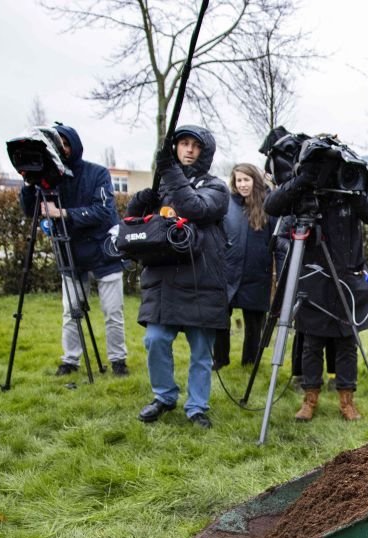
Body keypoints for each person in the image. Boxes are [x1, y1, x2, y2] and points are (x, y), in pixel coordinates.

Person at [264, 141, 368, 421]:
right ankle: (309, 400)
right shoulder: (306, 190)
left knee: (346, 344)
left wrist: (354, 189)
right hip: (313, 276)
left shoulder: (349, 189)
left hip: (346, 277)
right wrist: (303, 178)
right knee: (312, 343)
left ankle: (347, 402)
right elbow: (273, 205)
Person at [129, 125, 230, 429]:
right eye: (182, 144)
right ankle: (164, 396)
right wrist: (141, 201)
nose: (187, 150)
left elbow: (194, 207)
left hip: (203, 281)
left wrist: (170, 174)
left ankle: (197, 406)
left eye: (195, 146)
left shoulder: (217, 187)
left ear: (204, 151)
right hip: (165, 281)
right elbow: (136, 226)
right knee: (155, 338)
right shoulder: (164, 186)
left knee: (201, 351)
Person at [19, 123, 129, 376]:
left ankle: (118, 361)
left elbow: (103, 211)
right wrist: (28, 183)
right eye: (60, 145)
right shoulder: (48, 177)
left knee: (113, 312)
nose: (64, 149)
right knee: (71, 312)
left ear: (75, 145)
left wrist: (64, 213)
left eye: (67, 144)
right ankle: (70, 360)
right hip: (70, 252)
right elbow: (29, 211)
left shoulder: (97, 173)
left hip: (104, 251)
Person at [212, 163, 284, 369]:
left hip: (257, 274)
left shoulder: (269, 205)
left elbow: (278, 244)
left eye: (246, 179)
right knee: (221, 319)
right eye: (239, 180)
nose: (243, 184)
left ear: (255, 180)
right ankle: (220, 359)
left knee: (254, 323)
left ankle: (250, 362)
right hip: (228, 271)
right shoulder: (226, 205)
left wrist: (280, 274)